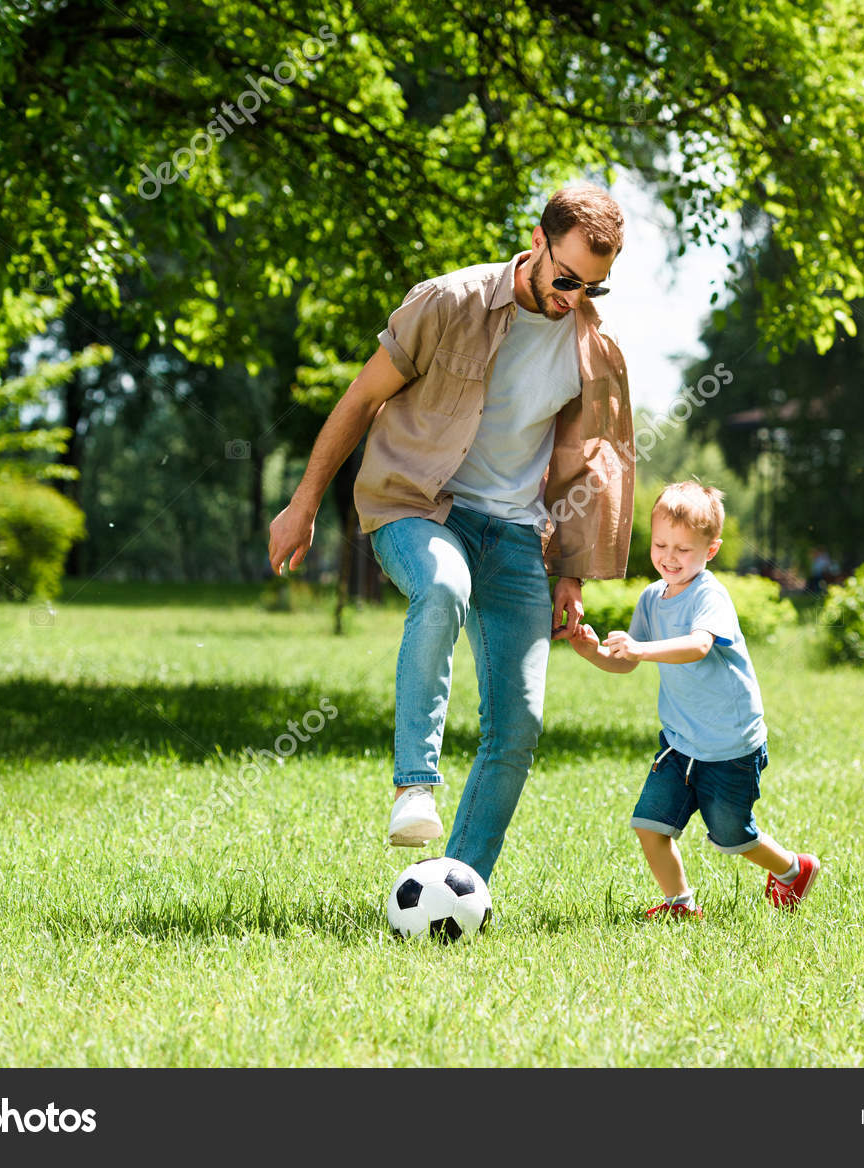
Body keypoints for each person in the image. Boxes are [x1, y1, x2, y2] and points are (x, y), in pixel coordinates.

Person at [267, 183, 636, 883]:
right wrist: (304, 501)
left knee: (520, 725)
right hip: (419, 504)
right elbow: (362, 397)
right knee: (441, 586)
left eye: (594, 286)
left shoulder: (597, 346)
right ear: (536, 240)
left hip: (517, 536)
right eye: (566, 279)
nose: (574, 297)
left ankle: (457, 891)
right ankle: (414, 787)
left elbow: (596, 462)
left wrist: (573, 574)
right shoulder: (450, 302)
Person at [568, 481, 819, 917]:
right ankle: (680, 903)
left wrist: (642, 649)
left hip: (729, 746)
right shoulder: (651, 598)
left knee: (732, 836)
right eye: (662, 544)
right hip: (680, 742)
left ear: (711, 550)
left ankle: (793, 870)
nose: (669, 557)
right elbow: (625, 662)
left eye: (683, 549)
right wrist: (594, 653)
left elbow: (698, 646)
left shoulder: (709, 595)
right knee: (649, 825)